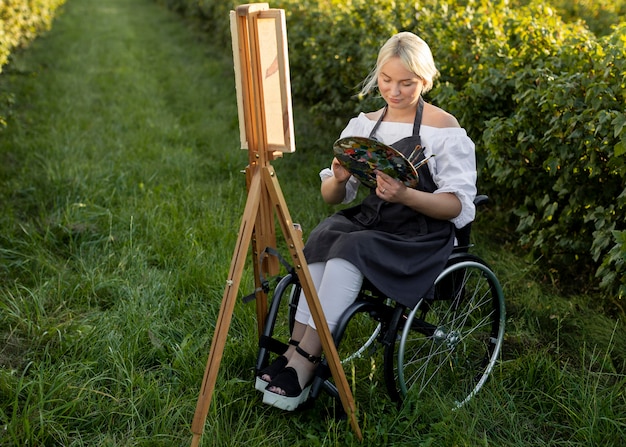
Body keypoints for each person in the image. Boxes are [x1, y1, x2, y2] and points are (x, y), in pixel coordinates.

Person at [256, 31, 477, 411]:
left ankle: (306, 362)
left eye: (406, 83)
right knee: (327, 233)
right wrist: (340, 179)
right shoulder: (364, 124)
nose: (394, 91)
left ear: (425, 79)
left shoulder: (444, 129)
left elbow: (456, 206)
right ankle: (295, 351)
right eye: (387, 80)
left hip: (418, 233)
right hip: (374, 220)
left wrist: (406, 195)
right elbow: (333, 199)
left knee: (350, 247)